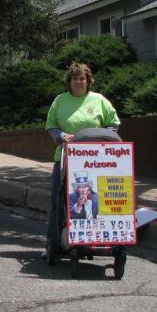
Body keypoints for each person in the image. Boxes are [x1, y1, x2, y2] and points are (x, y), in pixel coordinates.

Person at [44, 62, 120, 255]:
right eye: (75, 78)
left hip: (96, 160)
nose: (78, 82)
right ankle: (53, 243)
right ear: (69, 82)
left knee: (95, 199)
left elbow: (113, 124)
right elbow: (51, 126)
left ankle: (97, 237)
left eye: (82, 78)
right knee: (58, 200)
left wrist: (103, 138)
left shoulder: (99, 100)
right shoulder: (60, 101)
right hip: (66, 158)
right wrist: (61, 136)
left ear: (88, 81)